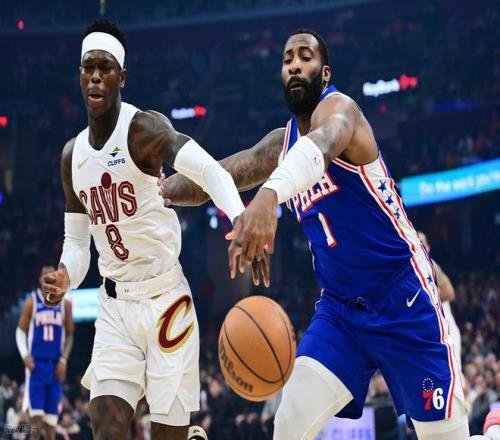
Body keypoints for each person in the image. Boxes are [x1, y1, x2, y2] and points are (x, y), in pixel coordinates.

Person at [160, 29, 500, 440]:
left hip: (404, 299)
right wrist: (161, 193)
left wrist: (269, 195)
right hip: (341, 312)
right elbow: (220, 175)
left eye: (305, 57)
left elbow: (319, 146)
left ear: (324, 73)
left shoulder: (343, 112)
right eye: (287, 59)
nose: (294, 65)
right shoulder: (280, 145)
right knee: (288, 422)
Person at [40, 18, 246, 440]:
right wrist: (65, 275)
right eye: (87, 67)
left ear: (122, 77)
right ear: (79, 76)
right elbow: (77, 244)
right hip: (115, 306)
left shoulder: (143, 130)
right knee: (106, 427)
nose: (95, 76)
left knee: (168, 434)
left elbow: (209, 170)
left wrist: (239, 217)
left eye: (105, 67)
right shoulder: (71, 156)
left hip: (166, 300)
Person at [16, 264, 74, 440]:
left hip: (55, 367)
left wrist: (64, 360)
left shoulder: (65, 304)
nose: (48, 277)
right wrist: (25, 355)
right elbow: (20, 331)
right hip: (37, 366)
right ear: (40, 279)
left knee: (51, 426)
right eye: (45, 274)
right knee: (36, 423)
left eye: (52, 274)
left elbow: (70, 335)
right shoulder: (32, 301)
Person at [418, 231, 462, 370]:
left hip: (447, 331)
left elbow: (450, 292)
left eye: (422, 243)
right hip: (431, 334)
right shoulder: (413, 271)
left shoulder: (432, 266)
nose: (419, 247)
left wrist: (426, 299)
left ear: (428, 247)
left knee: (454, 376)